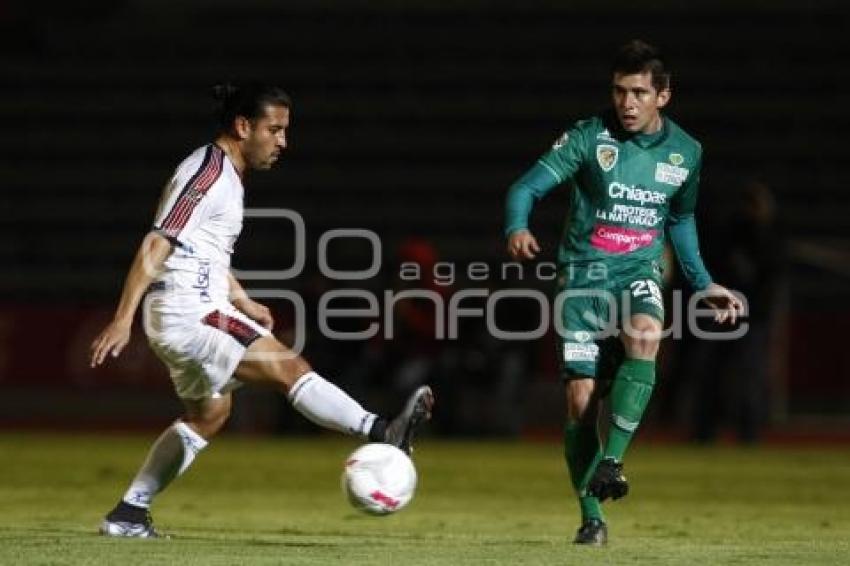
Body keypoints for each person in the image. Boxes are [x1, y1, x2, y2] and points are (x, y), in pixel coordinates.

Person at [90, 83, 434, 538]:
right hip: (188, 311)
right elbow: (158, 242)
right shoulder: (208, 174)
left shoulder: (224, 173)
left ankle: (129, 513)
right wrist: (122, 316)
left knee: (208, 416)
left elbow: (200, 248)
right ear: (242, 126)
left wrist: (241, 297)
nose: (283, 141)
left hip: (190, 308)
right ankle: (381, 429)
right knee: (290, 367)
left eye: (285, 131)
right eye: (274, 130)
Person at [504, 40, 742, 545]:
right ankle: (592, 517)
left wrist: (703, 284)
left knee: (646, 332)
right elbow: (524, 188)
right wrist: (517, 227)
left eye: (638, 92)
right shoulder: (588, 137)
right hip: (583, 280)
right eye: (619, 91)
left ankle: (612, 461)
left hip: (638, 272)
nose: (627, 103)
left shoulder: (687, 152)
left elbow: (679, 219)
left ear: (663, 96)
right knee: (580, 402)